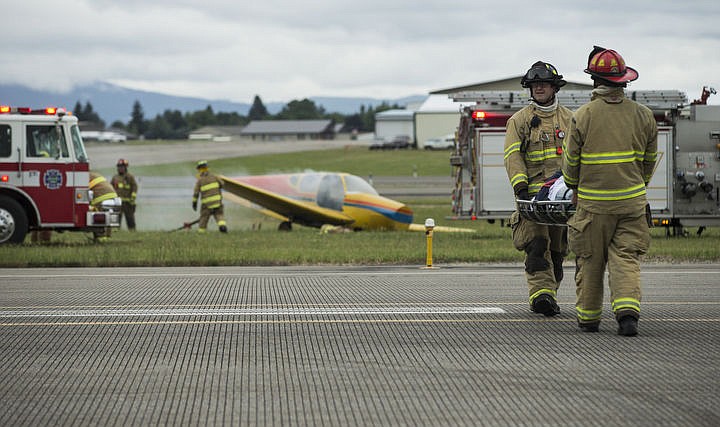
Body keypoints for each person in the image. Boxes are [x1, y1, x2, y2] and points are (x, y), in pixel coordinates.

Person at [562, 46, 658, 336]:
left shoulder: (582, 116)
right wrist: (635, 186)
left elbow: (570, 165)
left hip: (593, 207)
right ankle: (627, 315)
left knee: (590, 260)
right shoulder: (644, 115)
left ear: (594, 81)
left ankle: (589, 319)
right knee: (626, 258)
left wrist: (573, 186)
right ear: (624, 81)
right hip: (632, 205)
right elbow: (649, 161)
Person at [504, 61, 573, 316]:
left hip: (560, 199)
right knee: (536, 246)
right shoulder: (519, 121)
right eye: (535, 84)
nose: (539, 88)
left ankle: (549, 293)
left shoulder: (570, 120)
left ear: (554, 87)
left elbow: (579, 156)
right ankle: (541, 297)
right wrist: (520, 187)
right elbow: (513, 156)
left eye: (544, 83)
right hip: (532, 199)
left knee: (557, 250)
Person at [192, 160, 228, 233]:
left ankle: (201, 232)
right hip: (217, 201)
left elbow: (196, 193)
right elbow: (222, 184)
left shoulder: (200, 180)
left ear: (199, 169)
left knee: (204, 218)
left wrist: (194, 203)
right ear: (207, 168)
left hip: (206, 204)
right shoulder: (214, 176)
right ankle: (222, 226)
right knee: (219, 215)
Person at [89, 171, 118, 242]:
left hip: (101, 196)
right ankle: (107, 237)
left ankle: (100, 238)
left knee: (98, 217)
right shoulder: (93, 174)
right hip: (112, 195)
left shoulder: (82, 176)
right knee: (107, 216)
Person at [111, 158, 138, 231]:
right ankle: (116, 231)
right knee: (116, 218)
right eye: (119, 167)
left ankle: (132, 231)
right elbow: (111, 188)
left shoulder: (129, 177)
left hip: (128, 202)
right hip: (118, 203)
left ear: (125, 167)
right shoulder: (115, 178)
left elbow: (134, 187)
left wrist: (133, 196)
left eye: (122, 167)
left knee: (130, 218)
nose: (120, 168)